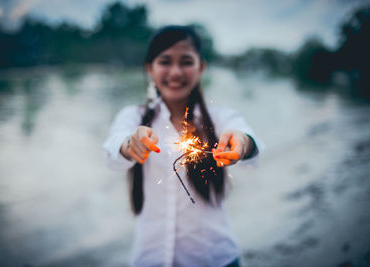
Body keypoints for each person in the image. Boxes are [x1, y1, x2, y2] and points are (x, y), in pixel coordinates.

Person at [103, 25, 264, 267]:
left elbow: (250, 141)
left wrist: (243, 144)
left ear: (201, 67)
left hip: (215, 257)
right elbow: (111, 151)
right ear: (149, 68)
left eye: (186, 61)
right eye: (165, 61)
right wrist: (129, 145)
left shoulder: (220, 118)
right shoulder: (132, 117)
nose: (176, 72)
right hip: (150, 256)